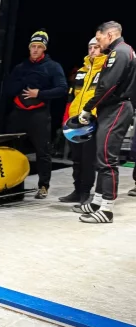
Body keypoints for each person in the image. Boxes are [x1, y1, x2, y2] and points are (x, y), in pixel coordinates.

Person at [76, 21, 136, 223]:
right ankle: (98, 201)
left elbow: (108, 86)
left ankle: (107, 209)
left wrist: (87, 107)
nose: (98, 42)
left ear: (109, 34)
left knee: (107, 160)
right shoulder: (123, 50)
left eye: (99, 37)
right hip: (113, 108)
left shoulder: (119, 52)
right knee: (101, 157)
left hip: (116, 108)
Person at [3, 29, 68, 199]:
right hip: (18, 112)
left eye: (39, 46)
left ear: (44, 49)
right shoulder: (20, 67)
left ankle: (43, 185)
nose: (36, 49)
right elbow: (8, 89)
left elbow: (62, 89)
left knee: (43, 151)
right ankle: (13, 185)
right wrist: (20, 84)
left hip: (38, 114)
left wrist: (39, 93)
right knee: (12, 150)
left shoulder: (53, 67)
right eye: (33, 46)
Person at [59, 37, 105, 204]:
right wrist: (66, 120)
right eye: (90, 47)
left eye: (96, 47)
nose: (92, 50)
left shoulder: (106, 71)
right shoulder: (81, 71)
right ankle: (77, 190)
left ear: (103, 49)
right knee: (76, 159)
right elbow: (71, 97)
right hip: (76, 121)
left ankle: (85, 192)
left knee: (88, 160)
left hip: (92, 122)